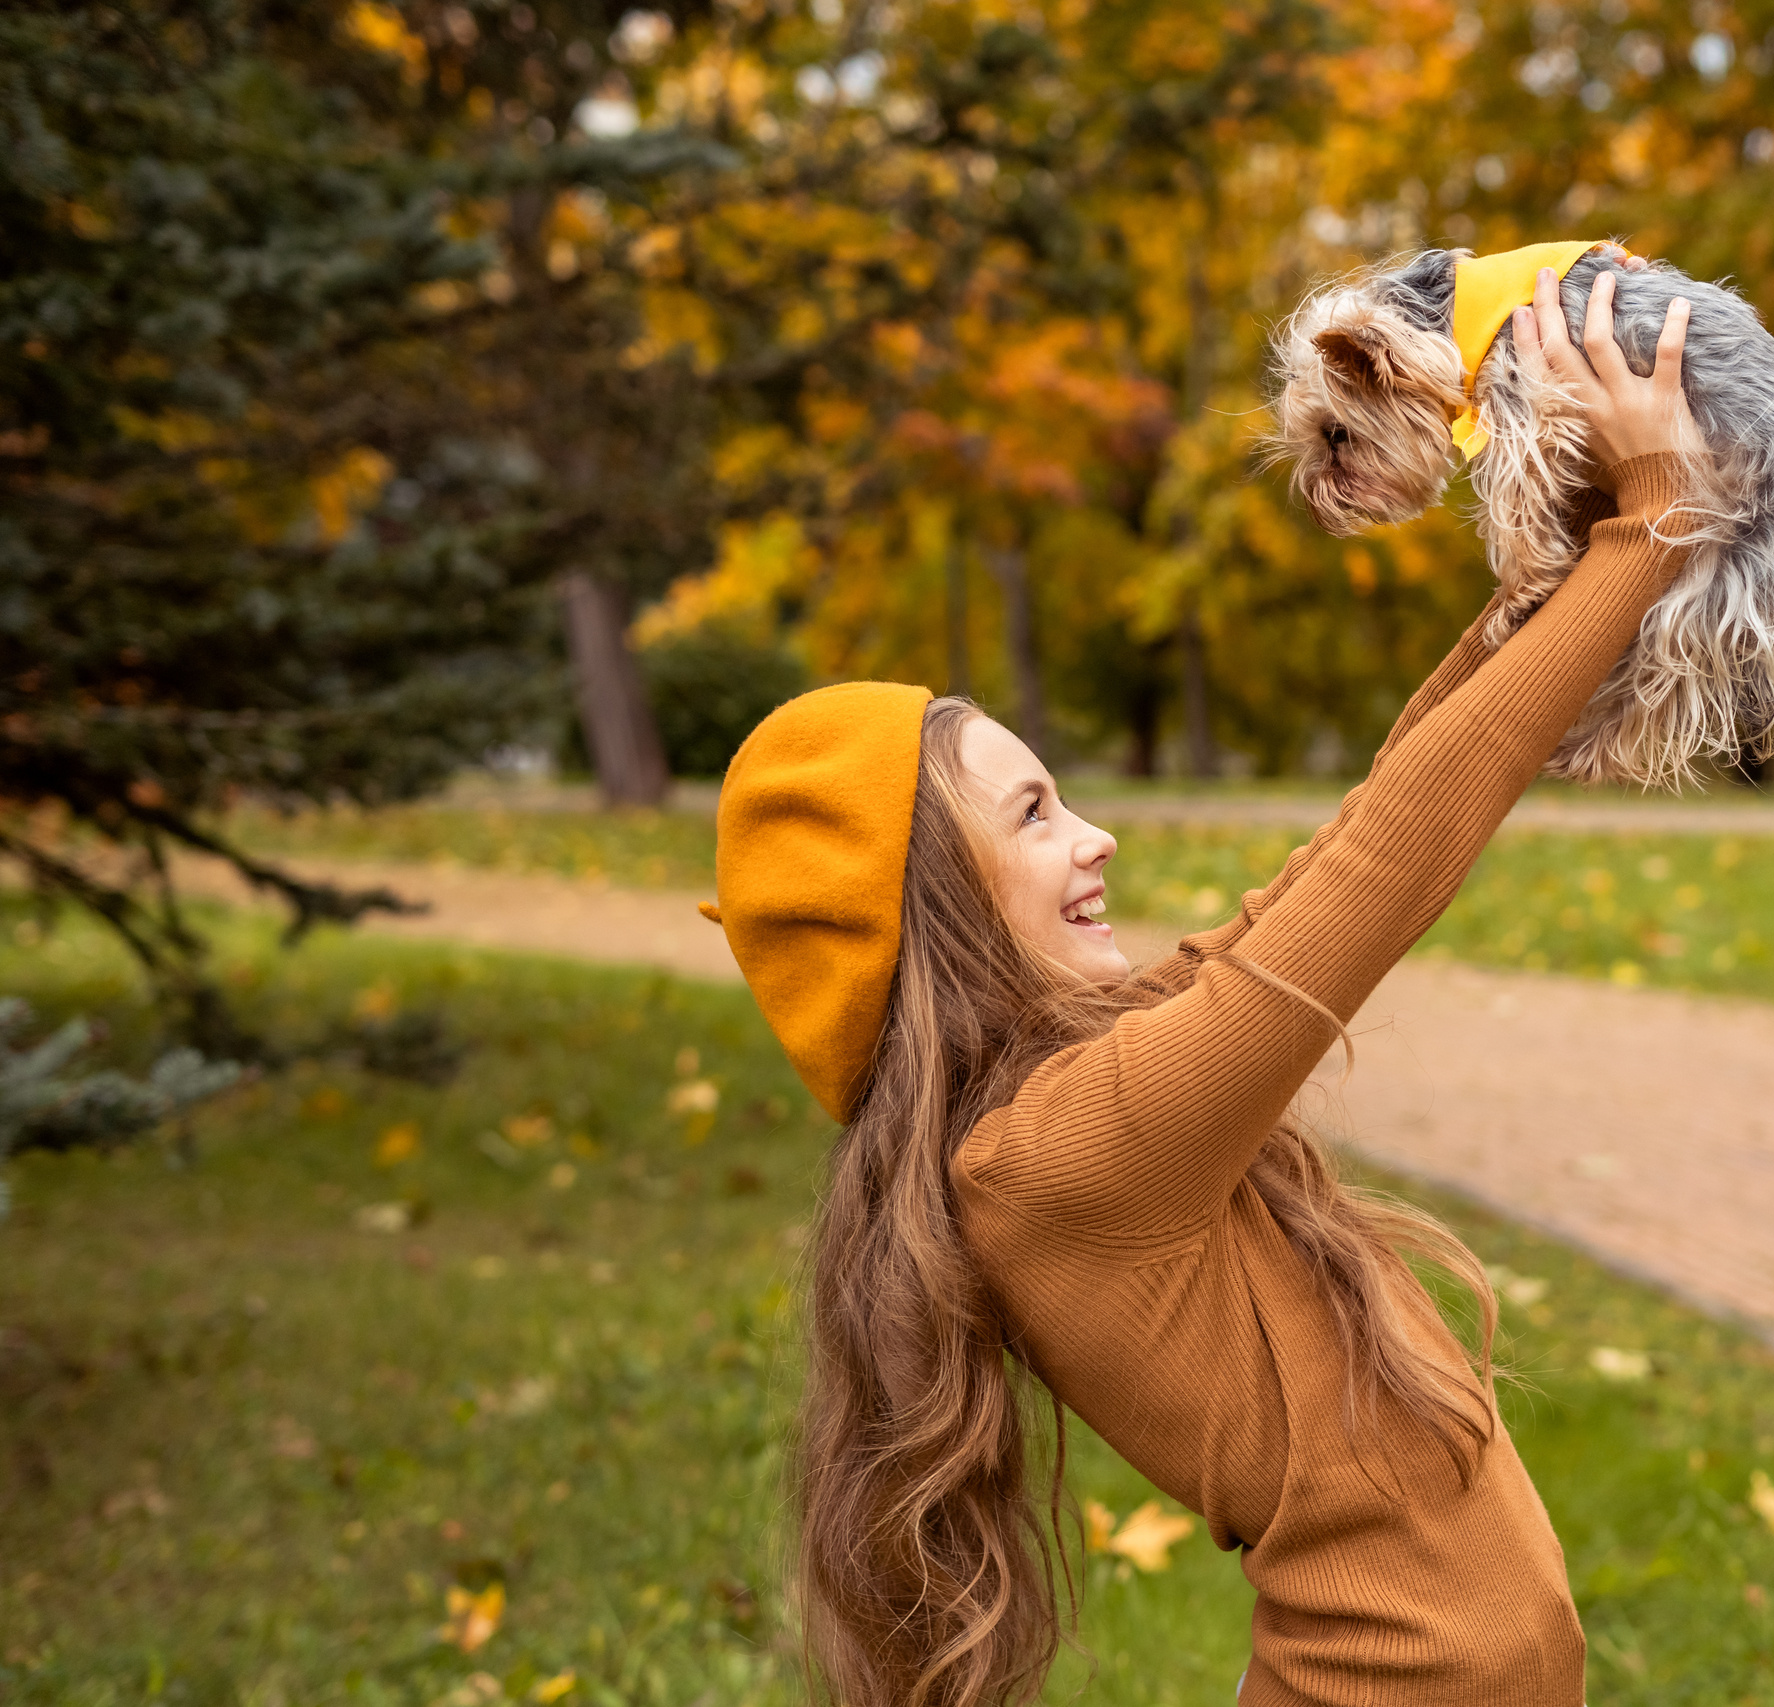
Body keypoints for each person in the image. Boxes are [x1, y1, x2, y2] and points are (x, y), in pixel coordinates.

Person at [703, 268, 1715, 1707]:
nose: (1094, 836)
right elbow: (1387, 864)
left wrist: (1531, 599)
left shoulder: (1076, 1102)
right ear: (939, 912)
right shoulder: (1063, 1155)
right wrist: (1651, 529)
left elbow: (1334, 859)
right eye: (1037, 815)